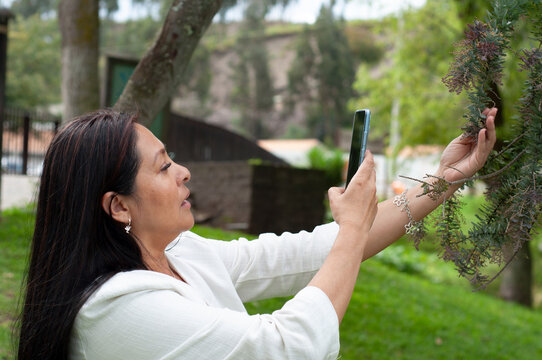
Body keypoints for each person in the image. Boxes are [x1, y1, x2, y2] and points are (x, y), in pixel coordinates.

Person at [17, 108, 497, 359]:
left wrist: (445, 180)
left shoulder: (178, 252)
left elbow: (307, 254)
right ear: (118, 205)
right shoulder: (116, 308)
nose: (183, 172)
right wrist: (351, 228)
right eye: (163, 167)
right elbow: (284, 348)